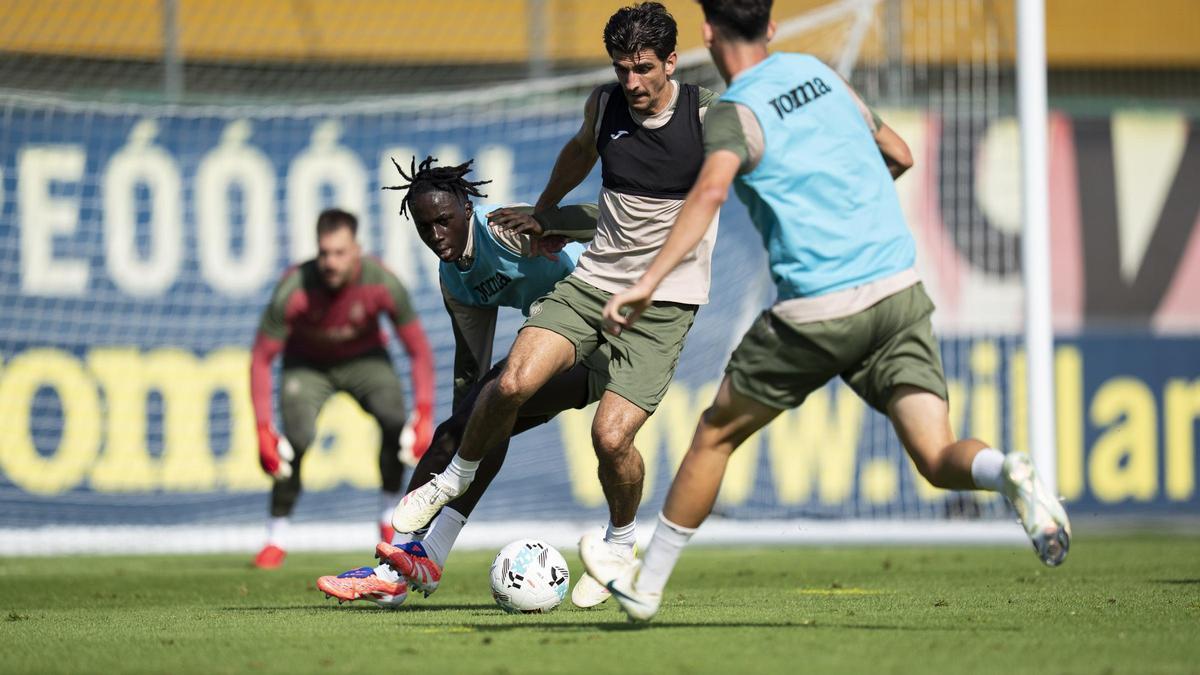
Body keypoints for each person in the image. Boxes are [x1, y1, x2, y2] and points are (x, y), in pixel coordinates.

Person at [580, 0, 1073, 623]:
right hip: (898, 291)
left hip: (819, 308)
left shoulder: (733, 112)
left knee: (715, 434)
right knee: (936, 454)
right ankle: (1007, 471)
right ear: (771, 27)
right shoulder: (822, 75)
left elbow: (709, 192)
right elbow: (900, 154)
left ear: (706, 34)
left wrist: (648, 282)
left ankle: (645, 585)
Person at [388, 2, 722, 609]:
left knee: (610, 438)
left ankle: (620, 542)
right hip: (593, 284)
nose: (632, 82)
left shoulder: (708, 116)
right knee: (511, 382)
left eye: (644, 68)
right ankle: (452, 480)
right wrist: (545, 211)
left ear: (672, 62)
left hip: (664, 303)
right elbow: (580, 150)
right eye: (621, 68)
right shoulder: (605, 104)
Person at [315, 157, 605, 607]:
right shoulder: (454, 279)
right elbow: (472, 368)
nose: (436, 234)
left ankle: (394, 573)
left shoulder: (503, 230)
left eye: (444, 220)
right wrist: (459, 433)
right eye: (424, 226)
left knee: (490, 410)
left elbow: (601, 219)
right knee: (478, 423)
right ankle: (414, 561)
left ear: (467, 209)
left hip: (605, 338)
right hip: (560, 349)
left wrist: (549, 221)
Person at [250, 208, 435, 569]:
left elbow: (419, 351)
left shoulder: (382, 282)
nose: (331, 262)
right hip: (307, 365)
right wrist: (262, 429)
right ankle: (276, 535)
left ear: (357, 251)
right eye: (324, 253)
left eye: (339, 253)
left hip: (365, 360)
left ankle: (388, 516)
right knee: (296, 440)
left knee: (395, 421)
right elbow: (261, 358)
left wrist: (425, 413)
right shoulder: (294, 288)